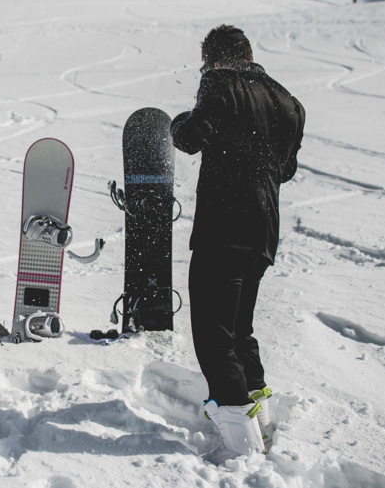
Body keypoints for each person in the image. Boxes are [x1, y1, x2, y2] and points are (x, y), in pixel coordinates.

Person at [170, 25, 305, 464]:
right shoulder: (288, 101)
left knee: (214, 335)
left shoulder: (220, 83)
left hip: (224, 228)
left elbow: (191, 138)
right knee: (239, 328)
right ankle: (258, 418)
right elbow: (286, 170)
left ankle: (240, 447)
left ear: (215, 60)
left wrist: (178, 121)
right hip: (263, 232)